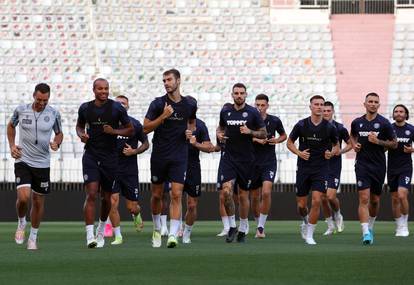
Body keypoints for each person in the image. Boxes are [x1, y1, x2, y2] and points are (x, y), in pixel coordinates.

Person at [76, 78, 134, 248]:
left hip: (110, 157)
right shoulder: (85, 108)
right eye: (100, 89)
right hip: (91, 156)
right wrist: (81, 135)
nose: (104, 91)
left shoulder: (116, 108)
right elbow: (79, 126)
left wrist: (114, 131)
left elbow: (130, 129)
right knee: (92, 193)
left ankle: (101, 231)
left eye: (106, 88)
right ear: (93, 90)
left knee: (107, 198)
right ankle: (89, 236)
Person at [143, 69, 197, 248]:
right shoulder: (158, 104)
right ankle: (157, 229)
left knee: (176, 194)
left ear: (178, 81)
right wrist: (163, 116)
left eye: (169, 80)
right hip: (159, 155)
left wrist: (190, 132)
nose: (166, 83)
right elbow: (145, 128)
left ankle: (173, 234)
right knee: (157, 195)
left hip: (179, 155)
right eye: (164, 80)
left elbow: (192, 122)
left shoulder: (189, 104)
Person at [7, 83, 63, 250]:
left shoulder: (54, 113)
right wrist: (12, 146)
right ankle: (21, 223)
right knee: (24, 198)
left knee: (38, 202)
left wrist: (56, 143)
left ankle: (33, 238)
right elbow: (11, 126)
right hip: (23, 160)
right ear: (33, 95)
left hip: (43, 163)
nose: (42, 103)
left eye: (45, 100)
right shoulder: (21, 110)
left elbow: (59, 133)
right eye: (39, 99)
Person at [216, 83, 267, 243]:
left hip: (247, 160)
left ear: (246, 95)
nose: (239, 95)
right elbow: (221, 127)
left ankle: (243, 227)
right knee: (226, 192)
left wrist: (250, 131)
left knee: (244, 197)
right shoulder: (225, 111)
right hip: (229, 158)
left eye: (242, 93)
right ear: (232, 95)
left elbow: (264, 133)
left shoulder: (252, 112)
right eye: (236, 93)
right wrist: (219, 134)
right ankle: (231, 226)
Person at [287, 95, 339, 245]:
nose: (319, 107)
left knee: (317, 201)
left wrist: (332, 152)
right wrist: (299, 153)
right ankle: (305, 221)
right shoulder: (301, 125)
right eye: (316, 104)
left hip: (321, 169)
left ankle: (310, 234)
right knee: (301, 205)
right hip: (303, 168)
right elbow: (289, 143)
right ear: (310, 106)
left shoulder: (330, 127)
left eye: (321, 104)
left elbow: (336, 146)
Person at [350, 92, 397, 245]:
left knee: (375, 201)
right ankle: (365, 233)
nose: (372, 104)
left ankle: (370, 226)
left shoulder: (384, 123)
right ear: (364, 104)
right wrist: (354, 145)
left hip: (378, 166)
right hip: (362, 165)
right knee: (364, 198)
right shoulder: (357, 122)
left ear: (379, 105)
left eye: (375, 101)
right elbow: (352, 136)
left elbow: (394, 144)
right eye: (370, 101)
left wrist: (378, 141)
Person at [108, 95, 149, 245]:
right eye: (118, 103)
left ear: (128, 106)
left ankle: (136, 214)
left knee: (132, 207)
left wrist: (134, 151)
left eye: (123, 103)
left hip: (129, 170)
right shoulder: (107, 124)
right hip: (111, 169)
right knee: (112, 202)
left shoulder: (135, 124)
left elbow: (146, 144)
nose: (121, 105)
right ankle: (117, 236)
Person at [250, 94, 286, 238]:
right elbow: (243, 136)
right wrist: (256, 140)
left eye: (262, 105)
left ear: (267, 106)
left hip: (269, 162)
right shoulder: (250, 121)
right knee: (254, 197)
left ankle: (260, 227)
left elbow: (284, 136)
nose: (259, 108)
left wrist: (276, 140)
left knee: (266, 192)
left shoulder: (275, 120)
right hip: (252, 162)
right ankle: (257, 222)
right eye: (257, 105)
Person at [182, 97, 215, 243]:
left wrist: (195, 144)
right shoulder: (175, 123)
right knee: (175, 197)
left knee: (192, 204)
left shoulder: (201, 125)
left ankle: (187, 232)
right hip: (176, 165)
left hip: (193, 166)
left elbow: (210, 147)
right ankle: (173, 229)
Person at [320, 101, 352, 235]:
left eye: (328, 111)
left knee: (331, 197)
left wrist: (340, 152)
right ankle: (330, 225)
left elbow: (350, 144)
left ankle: (338, 215)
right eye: (324, 111)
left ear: (333, 111)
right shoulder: (315, 127)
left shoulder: (339, 128)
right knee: (322, 198)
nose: (326, 113)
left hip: (333, 166)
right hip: (319, 166)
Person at [387, 104, 414, 237]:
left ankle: (404, 224)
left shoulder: (411, 129)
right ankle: (398, 225)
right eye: (396, 111)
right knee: (395, 198)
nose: (398, 113)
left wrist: (412, 150)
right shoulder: (389, 128)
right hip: (391, 167)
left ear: (406, 114)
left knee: (402, 194)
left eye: (401, 111)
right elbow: (383, 147)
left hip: (406, 168)